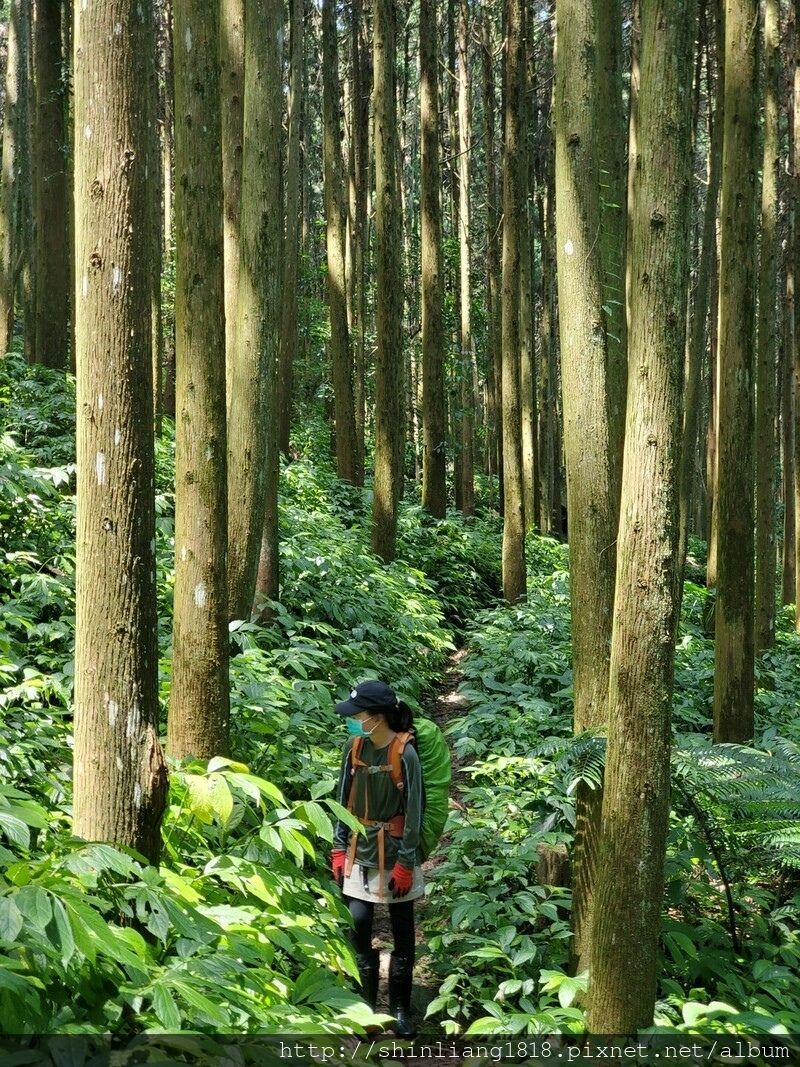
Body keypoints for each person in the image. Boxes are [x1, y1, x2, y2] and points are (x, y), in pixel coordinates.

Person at [331, 680, 424, 1039]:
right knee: (358, 929)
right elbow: (342, 800)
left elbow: (414, 813)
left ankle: (400, 1011)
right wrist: (339, 847)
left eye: (359, 715)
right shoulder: (352, 747)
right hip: (359, 852)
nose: (353, 721)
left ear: (379, 717)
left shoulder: (405, 754)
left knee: (402, 932)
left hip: (397, 852)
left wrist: (405, 863)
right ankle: (365, 1011)